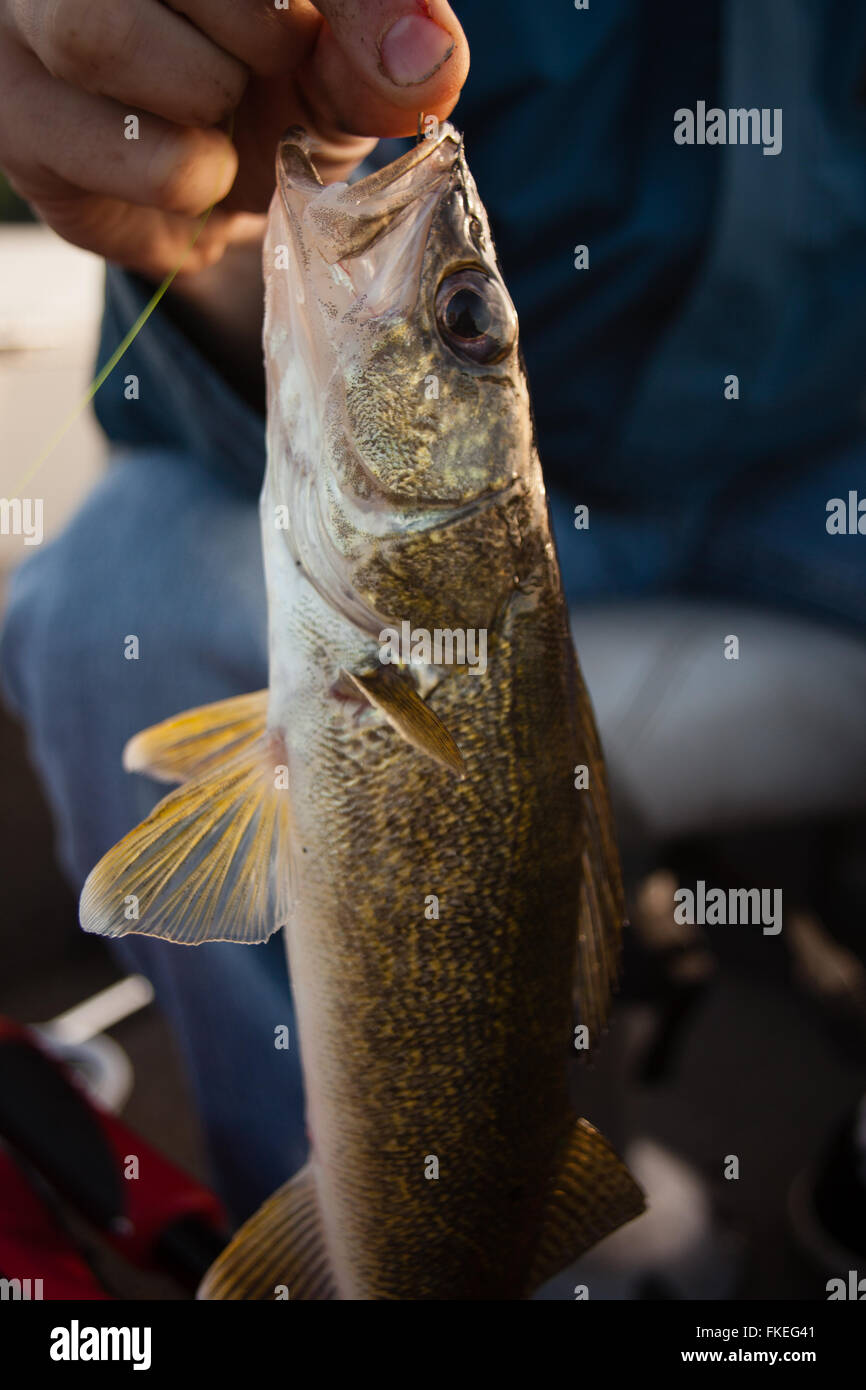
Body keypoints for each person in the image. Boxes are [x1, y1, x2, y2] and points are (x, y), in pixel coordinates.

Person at [2, 0, 866, 1243]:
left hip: (819, 486)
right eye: (470, 323)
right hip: (525, 506)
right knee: (108, 605)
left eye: (465, 322)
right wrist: (208, 223)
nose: (461, 313)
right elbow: (219, 335)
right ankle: (336, 1217)